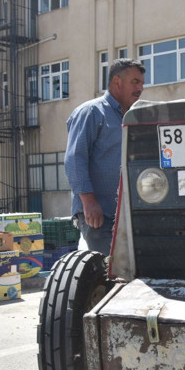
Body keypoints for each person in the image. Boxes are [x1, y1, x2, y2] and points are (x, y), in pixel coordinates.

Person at [64, 58, 145, 255]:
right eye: (135, 82)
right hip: (100, 215)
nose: (140, 88)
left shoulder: (132, 118)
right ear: (117, 82)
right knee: (107, 273)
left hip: (128, 214)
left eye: (142, 83)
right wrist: (89, 202)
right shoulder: (92, 112)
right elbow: (75, 158)